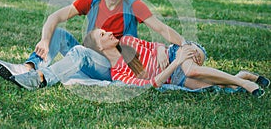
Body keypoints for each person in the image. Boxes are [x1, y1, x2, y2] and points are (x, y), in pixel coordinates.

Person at [0, 0, 196, 85]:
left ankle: (40, 79)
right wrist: (45, 40)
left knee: (80, 52)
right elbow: (54, 17)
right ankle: (28, 67)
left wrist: (186, 44)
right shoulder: (91, 1)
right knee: (57, 34)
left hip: (112, 66)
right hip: (89, 56)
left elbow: (161, 28)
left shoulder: (133, 5)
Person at [80, 29, 269, 97]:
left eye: (105, 31)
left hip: (177, 51)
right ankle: (242, 77)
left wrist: (165, 52)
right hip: (175, 75)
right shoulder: (118, 74)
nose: (110, 33)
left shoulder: (128, 41)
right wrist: (175, 64)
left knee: (192, 71)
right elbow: (151, 85)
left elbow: (157, 44)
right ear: (99, 48)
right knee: (218, 88)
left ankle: (245, 83)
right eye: (103, 35)